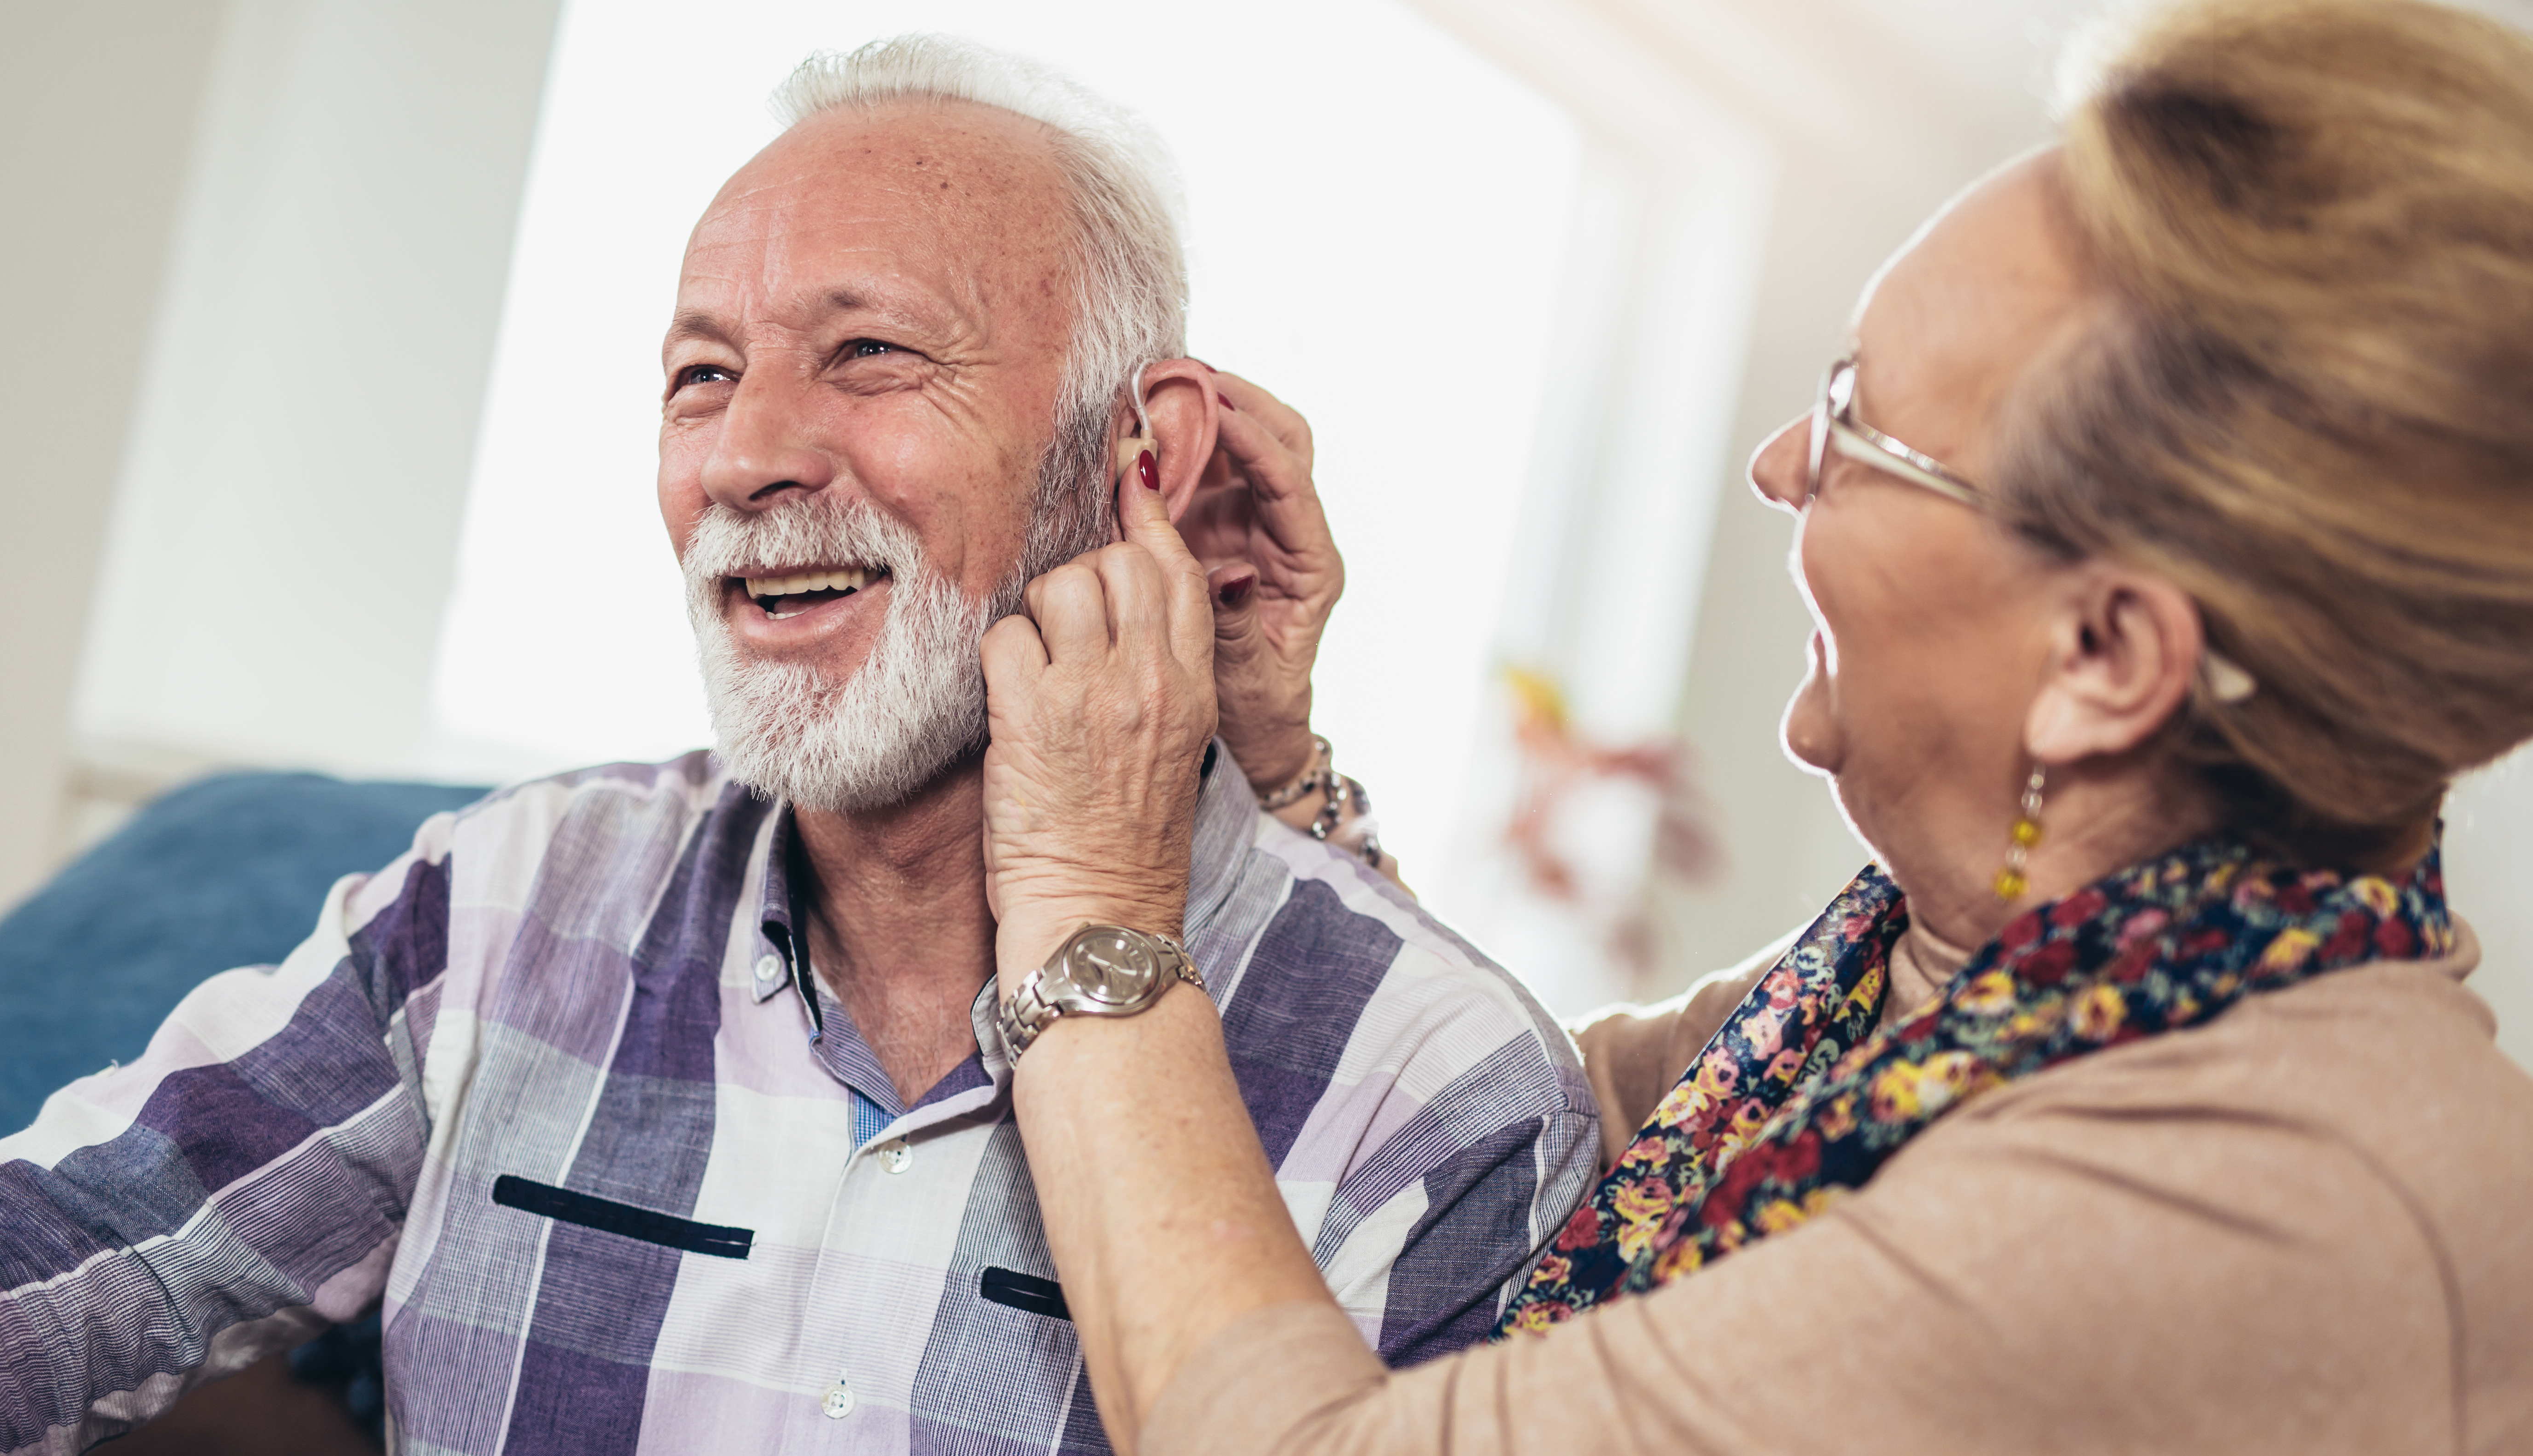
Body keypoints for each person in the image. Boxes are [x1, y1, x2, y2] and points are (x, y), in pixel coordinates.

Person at [0, 37, 1596, 1454]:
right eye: (700, 377)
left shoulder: (1439, 1095)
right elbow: (54, 1259)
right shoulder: (509, 901)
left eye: (870, 352)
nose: (749, 453)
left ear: (1138, 461)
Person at [972, 1, 2533, 1452]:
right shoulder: (1943, 993)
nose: (1784, 463)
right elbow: (1473, 1146)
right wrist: (1272, 766)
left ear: (2106, 654)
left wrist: (1086, 907)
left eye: (1859, 423)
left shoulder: (2234, 1201)